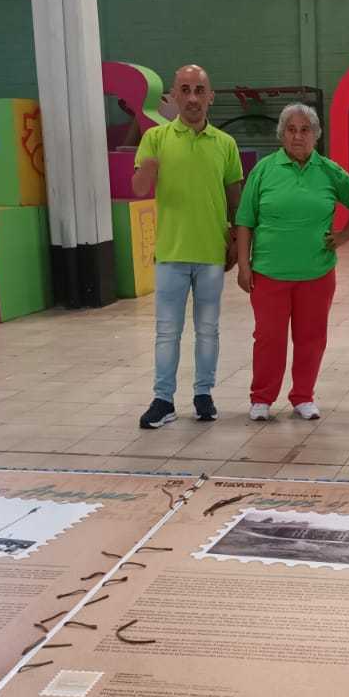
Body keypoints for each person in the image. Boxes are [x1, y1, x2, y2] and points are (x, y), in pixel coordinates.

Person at [133, 64, 244, 430]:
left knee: (208, 330)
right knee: (167, 332)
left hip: (212, 254)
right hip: (171, 254)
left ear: (211, 97)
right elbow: (138, 188)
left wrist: (236, 241)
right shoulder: (155, 139)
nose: (193, 97)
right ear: (173, 96)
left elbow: (235, 199)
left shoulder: (225, 144)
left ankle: (203, 395)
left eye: (199, 90)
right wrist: (148, 169)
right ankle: (163, 399)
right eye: (185, 90)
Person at [236, 103, 349, 421]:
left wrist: (346, 234)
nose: (298, 136)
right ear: (282, 134)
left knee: (311, 338)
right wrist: (243, 265)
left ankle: (303, 396)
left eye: (305, 130)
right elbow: (245, 220)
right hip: (269, 273)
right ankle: (261, 398)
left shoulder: (329, 171)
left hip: (317, 273)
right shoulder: (264, 170)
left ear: (316, 135)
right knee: (268, 338)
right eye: (291, 130)